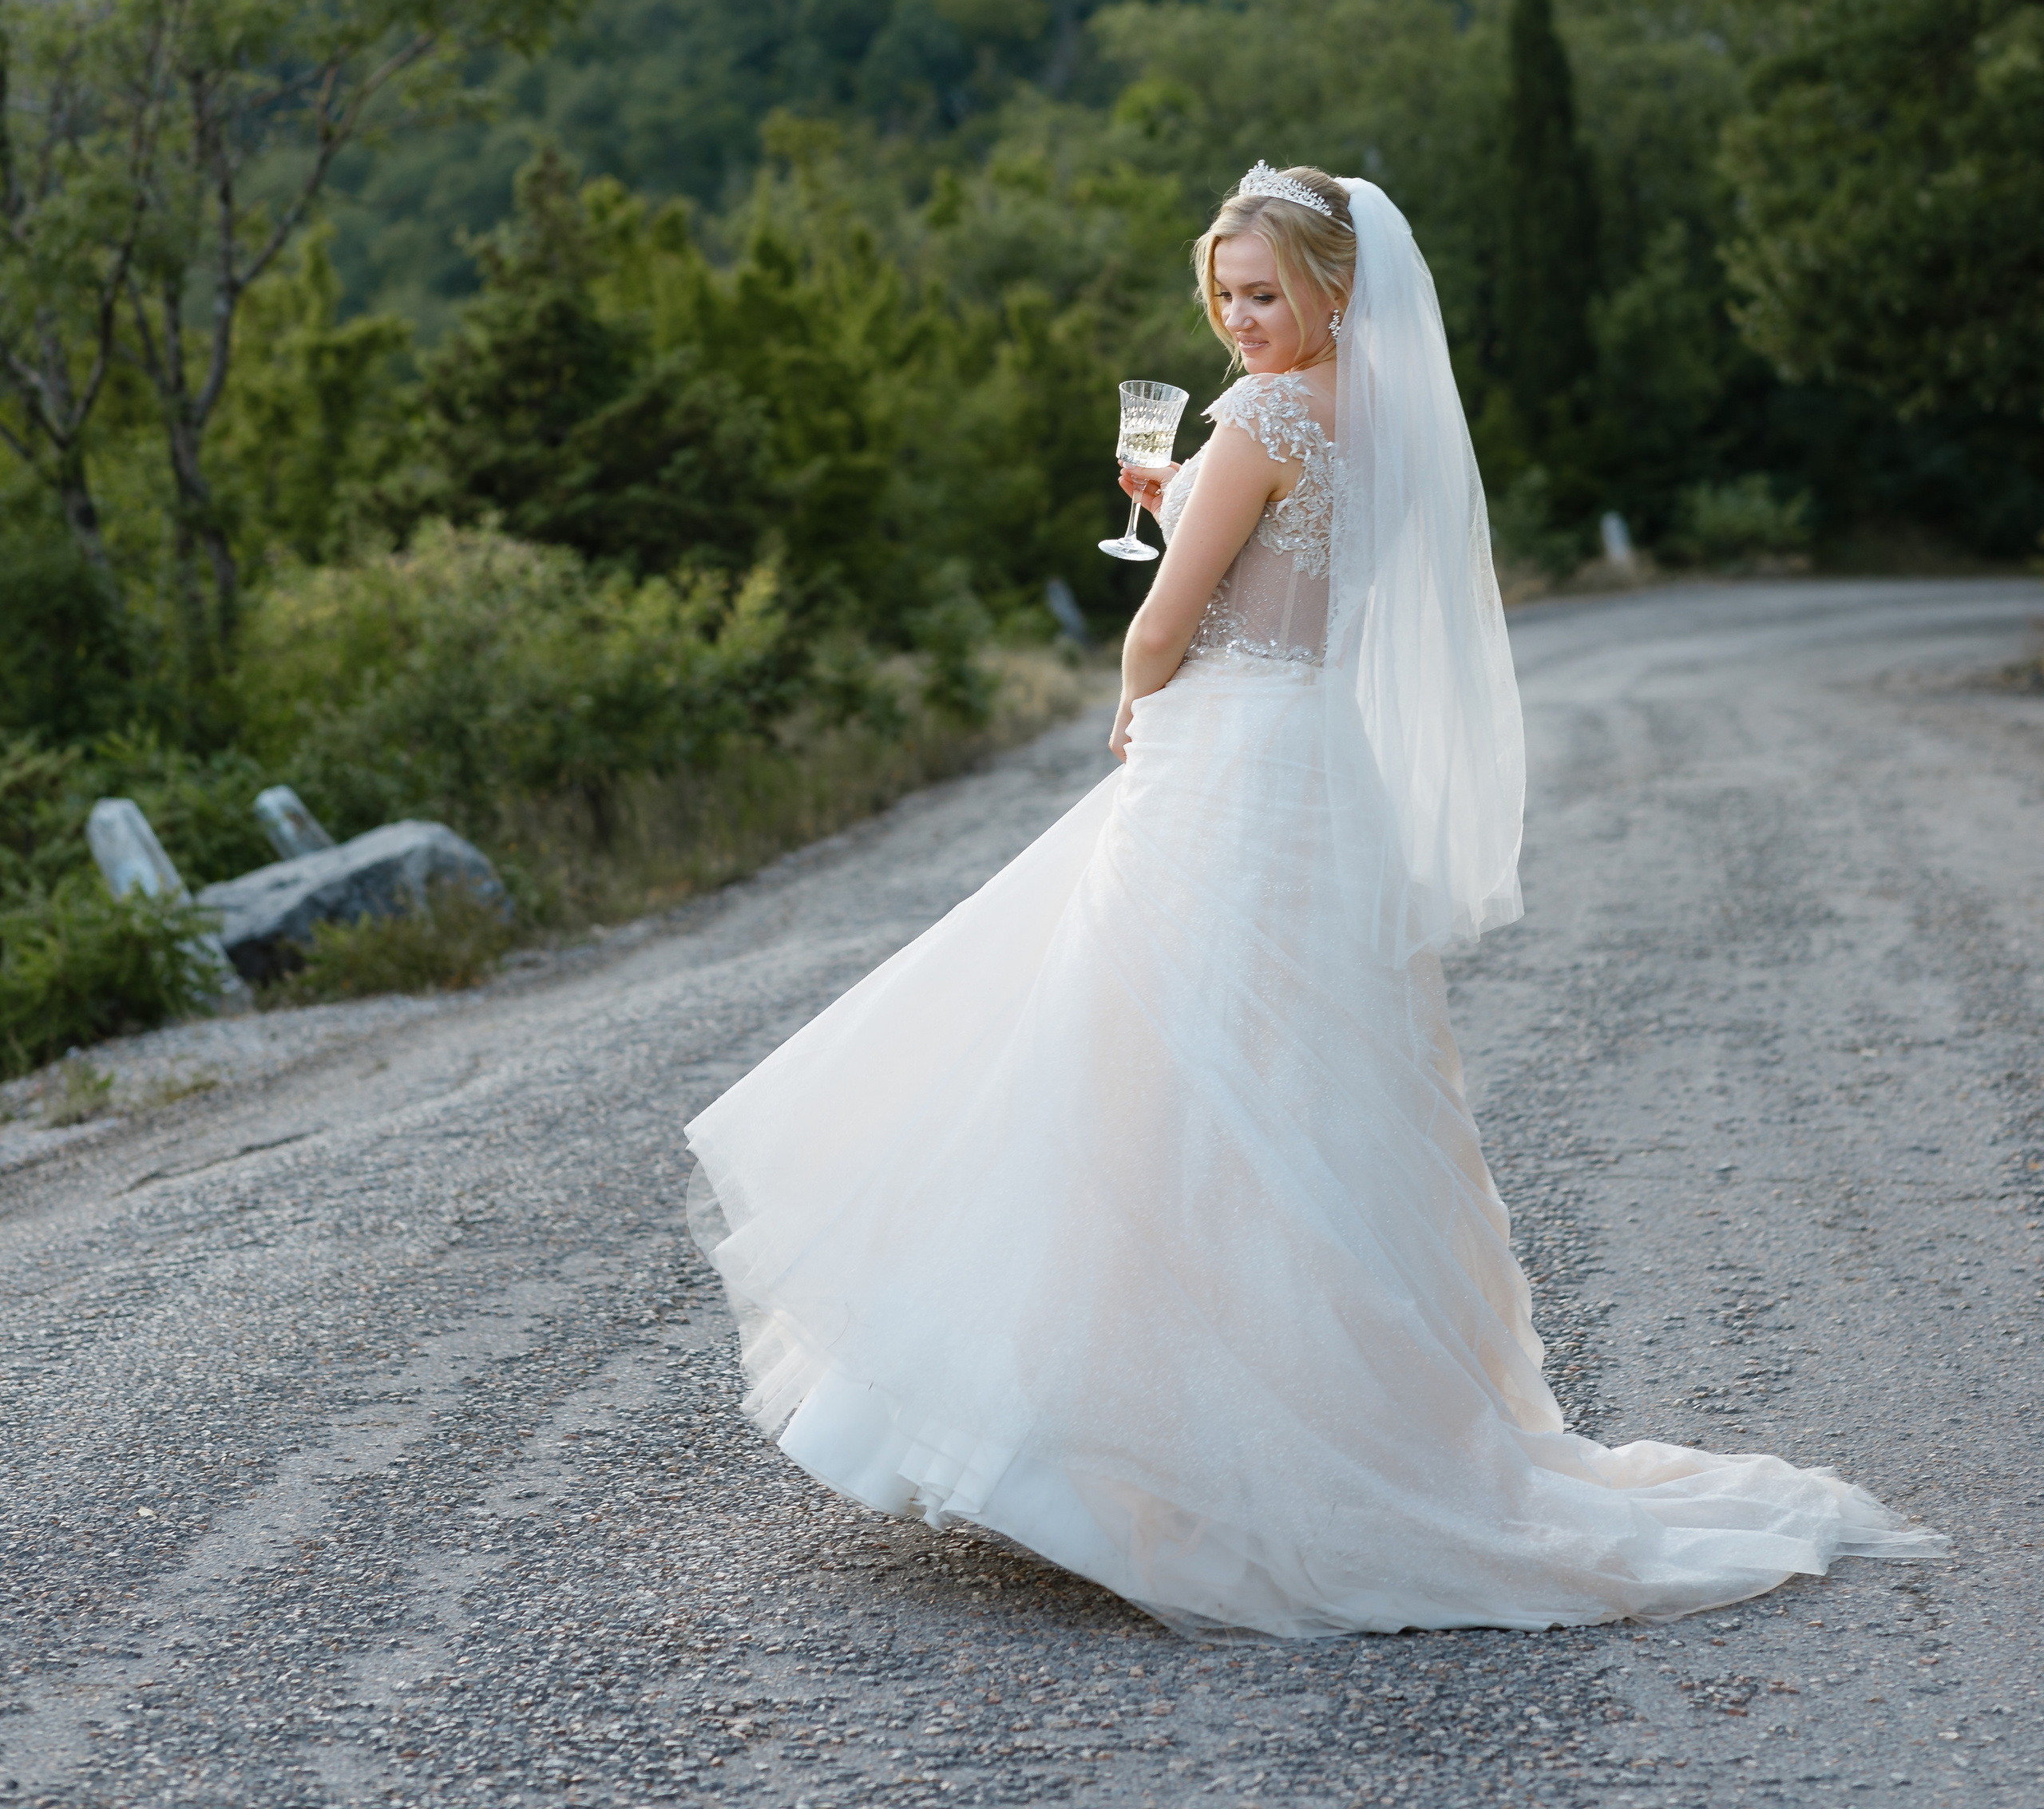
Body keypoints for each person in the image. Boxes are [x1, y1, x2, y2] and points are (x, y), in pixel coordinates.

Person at [685, 165, 1938, 1635]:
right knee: (1288, 1080)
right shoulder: (1385, 417)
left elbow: (1164, 627)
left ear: (1334, 287)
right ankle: (1261, 1416)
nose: (1240, 320)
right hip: (1321, 765)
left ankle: (1135, 1435)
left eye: (1265, 293)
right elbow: (1304, 577)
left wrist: (1139, 664)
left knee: (1138, 1057)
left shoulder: (1264, 417)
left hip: (1225, 758)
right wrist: (1195, 510)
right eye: (1223, 296)